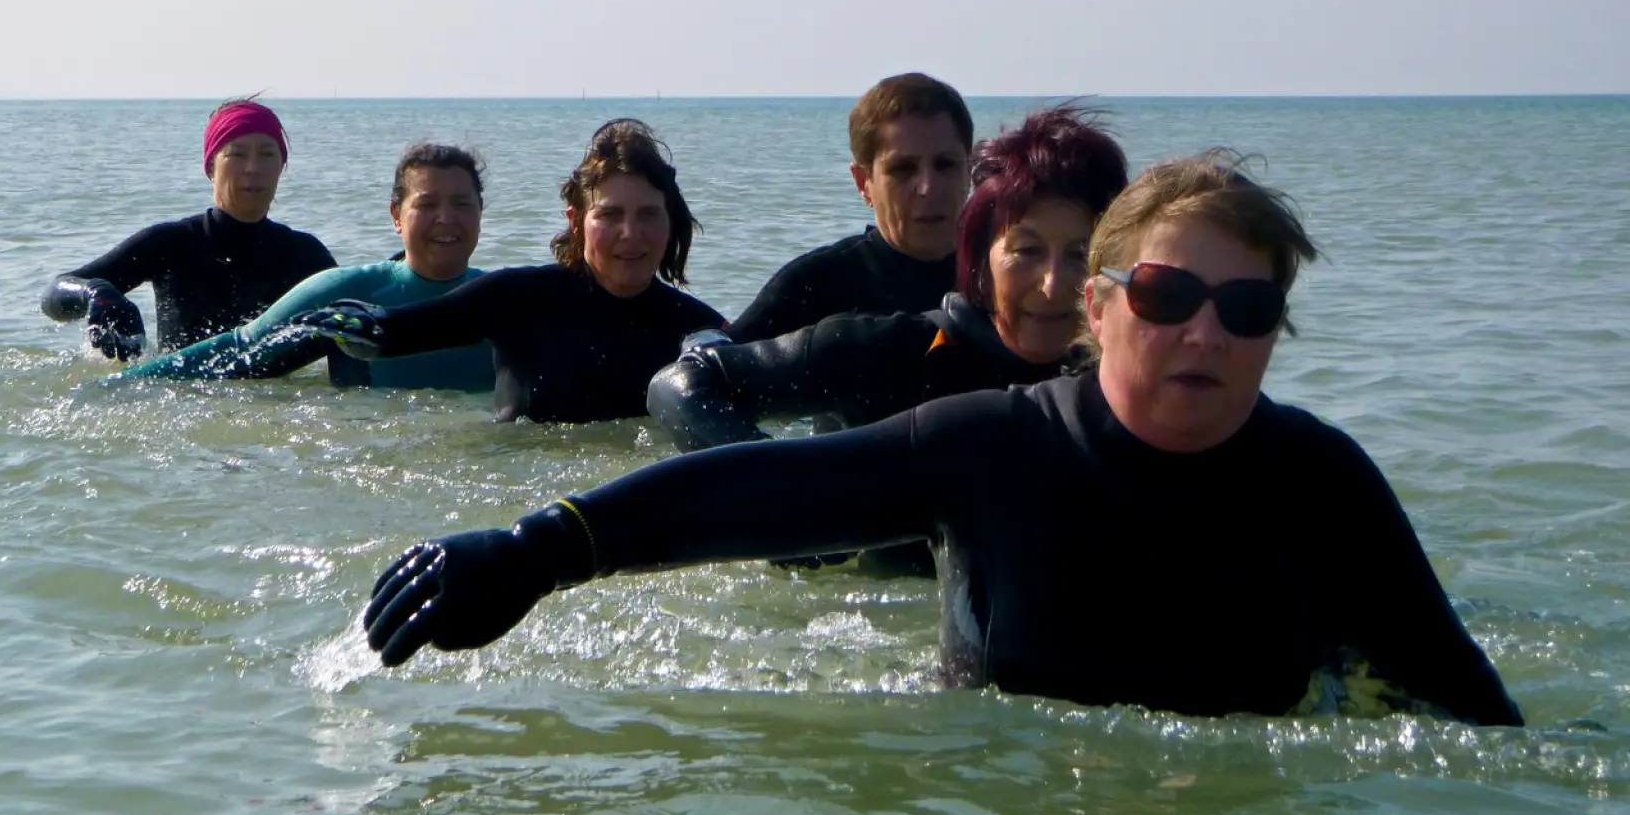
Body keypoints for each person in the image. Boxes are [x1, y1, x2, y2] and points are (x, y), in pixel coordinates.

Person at [354, 150, 1525, 727]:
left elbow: (1472, 715)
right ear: (1103, 306)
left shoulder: (1319, 481)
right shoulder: (989, 447)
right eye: (1168, 297)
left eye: (1248, 309)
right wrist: (533, 547)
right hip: (987, 811)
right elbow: (753, 493)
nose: (1205, 333)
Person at [648, 104, 1130, 575]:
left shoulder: (1134, 377)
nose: (1051, 285)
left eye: (1079, 254)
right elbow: (679, 385)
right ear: (980, 257)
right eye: (1026, 250)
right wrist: (788, 500)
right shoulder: (886, 349)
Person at [285, 119, 727, 424]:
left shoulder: (696, 329)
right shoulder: (520, 299)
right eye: (610, 215)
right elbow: (408, 328)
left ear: (670, 223)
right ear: (577, 222)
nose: (631, 234)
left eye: (648, 215)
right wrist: (361, 327)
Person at [106, 143, 495, 390]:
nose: (446, 218)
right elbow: (241, 348)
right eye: (426, 205)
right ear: (396, 215)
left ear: (480, 212)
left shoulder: (508, 299)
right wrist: (117, 387)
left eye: (462, 204)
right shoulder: (349, 293)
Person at [39, 97, 337, 359]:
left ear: (282, 166)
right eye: (236, 154)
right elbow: (54, 296)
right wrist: (95, 293)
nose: (253, 167)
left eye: (267, 154)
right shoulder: (172, 243)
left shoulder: (304, 255)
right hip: (182, 398)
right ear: (210, 168)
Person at [726, 72, 975, 345]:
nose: (928, 187)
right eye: (903, 169)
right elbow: (705, 373)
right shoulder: (814, 288)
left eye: (946, 164)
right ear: (863, 182)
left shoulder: (1000, 278)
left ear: (969, 168)